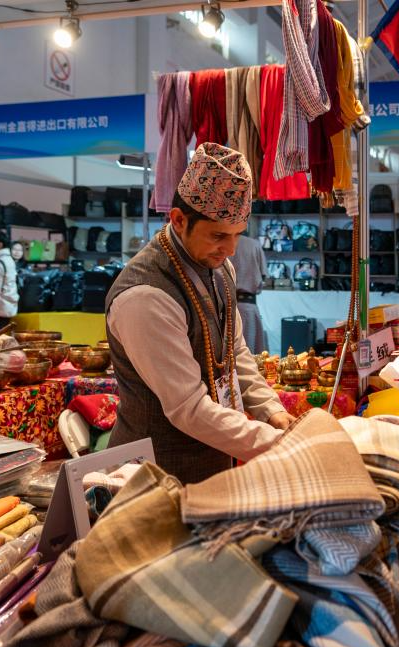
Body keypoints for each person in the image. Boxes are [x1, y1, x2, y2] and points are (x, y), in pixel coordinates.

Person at [104, 143, 295, 484]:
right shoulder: (146, 296)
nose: (231, 249)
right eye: (219, 235)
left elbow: (235, 353)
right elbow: (189, 409)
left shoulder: (220, 267)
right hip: (153, 474)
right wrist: (281, 445)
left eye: (238, 235)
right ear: (178, 220)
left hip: (212, 459)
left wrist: (274, 411)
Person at [231, 230, 269, 353]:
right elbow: (263, 276)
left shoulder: (225, 243)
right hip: (247, 307)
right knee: (251, 354)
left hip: (226, 307)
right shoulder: (254, 245)